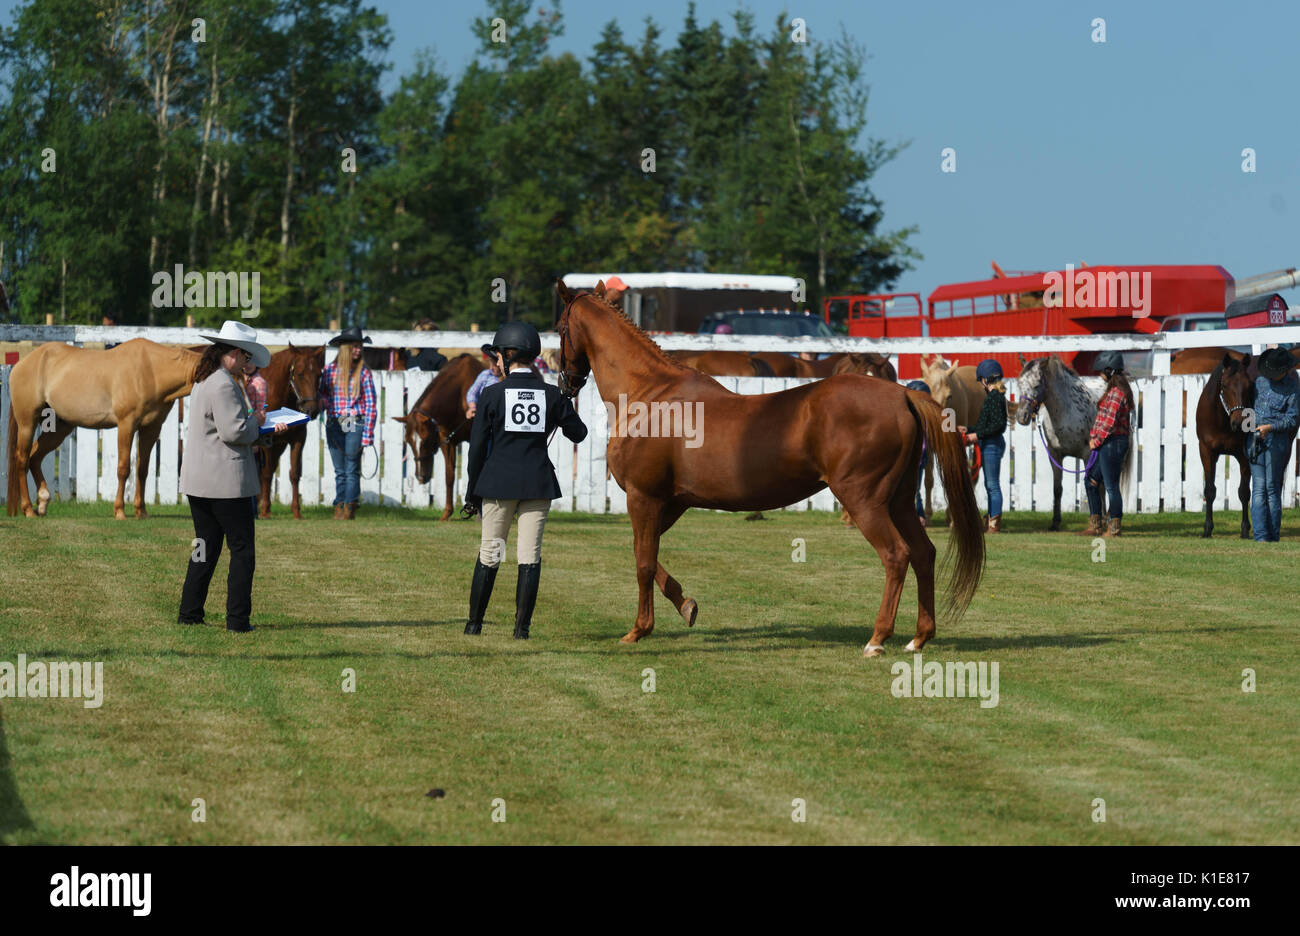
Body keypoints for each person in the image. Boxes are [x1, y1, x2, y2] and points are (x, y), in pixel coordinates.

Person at [462, 322, 587, 639]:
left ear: (505, 355)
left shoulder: (491, 395)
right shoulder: (551, 395)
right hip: (537, 484)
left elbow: (477, 450)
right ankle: (521, 630)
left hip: (498, 484)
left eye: (498, 356)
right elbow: (579, 433)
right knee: (529, 556)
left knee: (491, 553)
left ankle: (474, 625)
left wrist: (471, 493)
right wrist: (564, 401)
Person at [178, 320, 287, 632]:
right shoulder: (224, 383)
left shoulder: (205, 378)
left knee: (205, 547)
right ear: (236, 353)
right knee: (242, 551)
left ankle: (190, 613)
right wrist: (260, 420)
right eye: (246, 358)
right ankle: (237, 620)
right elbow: (235, 431)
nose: (247, 364)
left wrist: (255, 423)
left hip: (200, 481)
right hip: (225, 483)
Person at [320, 325, 376, 520]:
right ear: (345, 349)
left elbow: (371, 405)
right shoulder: (329, 371)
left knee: (351, 466)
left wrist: (368, 435)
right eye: (354, 346)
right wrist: (325, 403)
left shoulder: (364, 373)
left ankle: (350, 505)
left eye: (360, 346)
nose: (358, 350)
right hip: (334, 422)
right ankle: (340, 503)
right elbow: (324, 395)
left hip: (355, 422)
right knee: (339, 469)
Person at [1082, 350, 1135, 537]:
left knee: (1111, 486)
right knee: (1090, 481)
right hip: (1108, 443)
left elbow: (1110, 422)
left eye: (1102, 372)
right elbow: (1102, 419)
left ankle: (1114, 527)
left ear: (1110, 371)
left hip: (1112, 444)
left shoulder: (1116, 393)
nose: (1100, 375)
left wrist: (1095, 441)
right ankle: (1096, 524)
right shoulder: (1113, 391)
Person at [1248, 347, 1299, 542]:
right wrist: (1251, 428)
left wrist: (1269, 427)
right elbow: (1248, 408)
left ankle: (1273, 535)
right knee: (1259, 488)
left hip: (1276, 440)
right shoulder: (1259, 383)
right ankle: (1261, 536)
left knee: (1271, 487)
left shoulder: (1292, 388)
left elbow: (1292, 420)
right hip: (1255, 438)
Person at [961, 360, 1008, 533]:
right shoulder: (994, 397)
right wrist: (969, 429)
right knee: (990, 485)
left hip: (991, 445)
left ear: (984, 380)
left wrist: (976, 435)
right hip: (989, 443)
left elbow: (998, 425)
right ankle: (991, 519)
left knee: (992, 485)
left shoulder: (994, 397)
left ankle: (994, 523)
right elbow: (988, 425)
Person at [242, 356, 270, 516]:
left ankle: (252, 511)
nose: (247, 365)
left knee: (251, 474)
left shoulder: (259, 382)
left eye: (251, 362)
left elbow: (261, 409)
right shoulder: (239, 379)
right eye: (245, 361)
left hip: (251, 429)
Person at [905, 379, 931, 527]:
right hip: (917, 459)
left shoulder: (922, 417)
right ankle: (918, 516)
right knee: (914, 490)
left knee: (914, 490)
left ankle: (919, 517)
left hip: (918, 459)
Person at [464, 343, 503, 418]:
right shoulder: (486, 375)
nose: (491, 368)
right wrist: (473, 407)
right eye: (490, 364)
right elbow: (472, 393)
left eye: (494, 365)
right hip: (484, 414)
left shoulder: (507, 379)